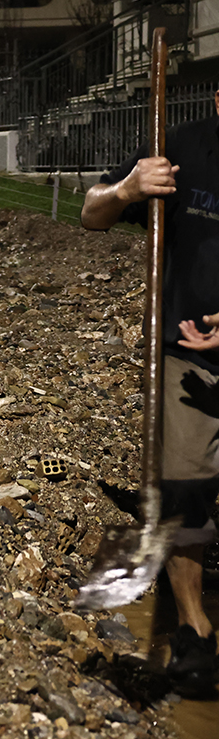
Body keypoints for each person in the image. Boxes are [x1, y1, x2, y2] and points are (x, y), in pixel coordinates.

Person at [80, 84, 219, 694]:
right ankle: (195, 628)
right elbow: (90, 212)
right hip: (186, 359)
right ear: (218, 99)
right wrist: (127, 189)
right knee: (186, 492)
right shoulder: (181, 150)